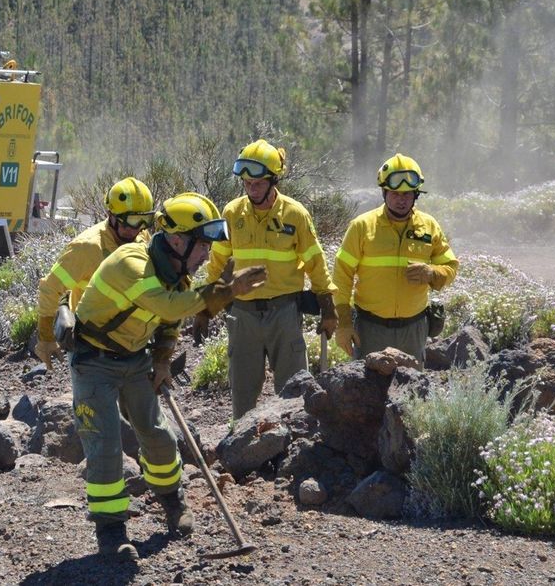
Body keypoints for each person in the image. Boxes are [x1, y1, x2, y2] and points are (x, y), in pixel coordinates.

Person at [70, 192, 267, 560]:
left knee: (159, 437)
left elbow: (169, 321)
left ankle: (174, 505)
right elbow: (167, 305)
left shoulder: (177, 272)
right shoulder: (133, 262)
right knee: (106, 445)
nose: (207, 254)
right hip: (94, 362)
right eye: (202, 245)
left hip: (135, 361)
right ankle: (111, 531)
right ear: (178, 239)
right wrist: (225, 291)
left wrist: (162, 361)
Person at [198, 139, 338, 420]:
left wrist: (328, 306)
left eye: (258, 182)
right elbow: (217, 262)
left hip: (284, 313)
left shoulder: (295, 214)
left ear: (273, 179)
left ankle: (294, 449)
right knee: (243, 392)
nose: (251, 187)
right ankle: (242, 451)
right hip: (243, 315)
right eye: (247, 182)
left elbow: (315, 262)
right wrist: (204, 306)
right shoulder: (232, 213)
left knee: (294, 389)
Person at [332, 154, 458, 365]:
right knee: (368, 393)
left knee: (410, 394)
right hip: (370, 330)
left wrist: (432, 273)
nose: (401, 199)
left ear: (416, 194)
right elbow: (341, 278)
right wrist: (344, 323)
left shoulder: (429, 226)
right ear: (384, 192)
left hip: (414, 329)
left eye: (407, 194)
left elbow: (451, 267)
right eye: (395, 193)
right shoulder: (361, 226)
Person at [35, 177, 154, 369]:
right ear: (111, 215)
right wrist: (46, 338)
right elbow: (50, 289)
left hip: (133, 348)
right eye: (131, 221)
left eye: (144, 220)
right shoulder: (87, 248)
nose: (137, 228)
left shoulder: (141, 237)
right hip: (91, 352)